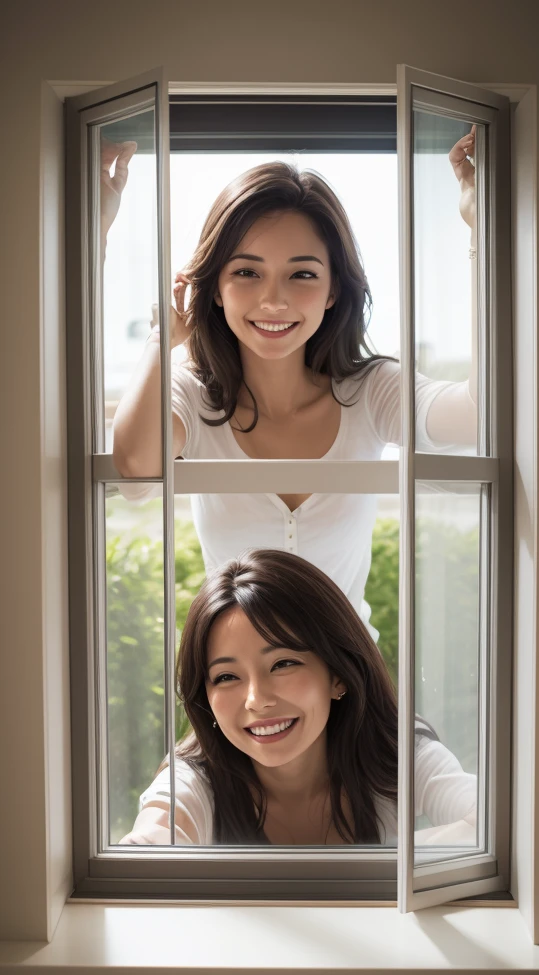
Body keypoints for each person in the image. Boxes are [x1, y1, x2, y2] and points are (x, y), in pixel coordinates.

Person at [110, 135, 477, 637]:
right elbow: (135, 467)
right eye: (246, 272)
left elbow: (479, 411)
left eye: (301, 274)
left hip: (350, 686)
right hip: (234, 687)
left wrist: (482, 228)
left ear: (333, 292)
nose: (274, 301)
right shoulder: (192, 393)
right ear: (214, 289)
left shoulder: (372, 390)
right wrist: (162, 337)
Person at [119, 549, 476, 846]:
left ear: (338, 675)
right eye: (227, 677)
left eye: (283, 664)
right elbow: (150, 839)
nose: (257, 700)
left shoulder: (393, 751)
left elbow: (497, 823)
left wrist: (395, 860)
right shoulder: (197, 775)